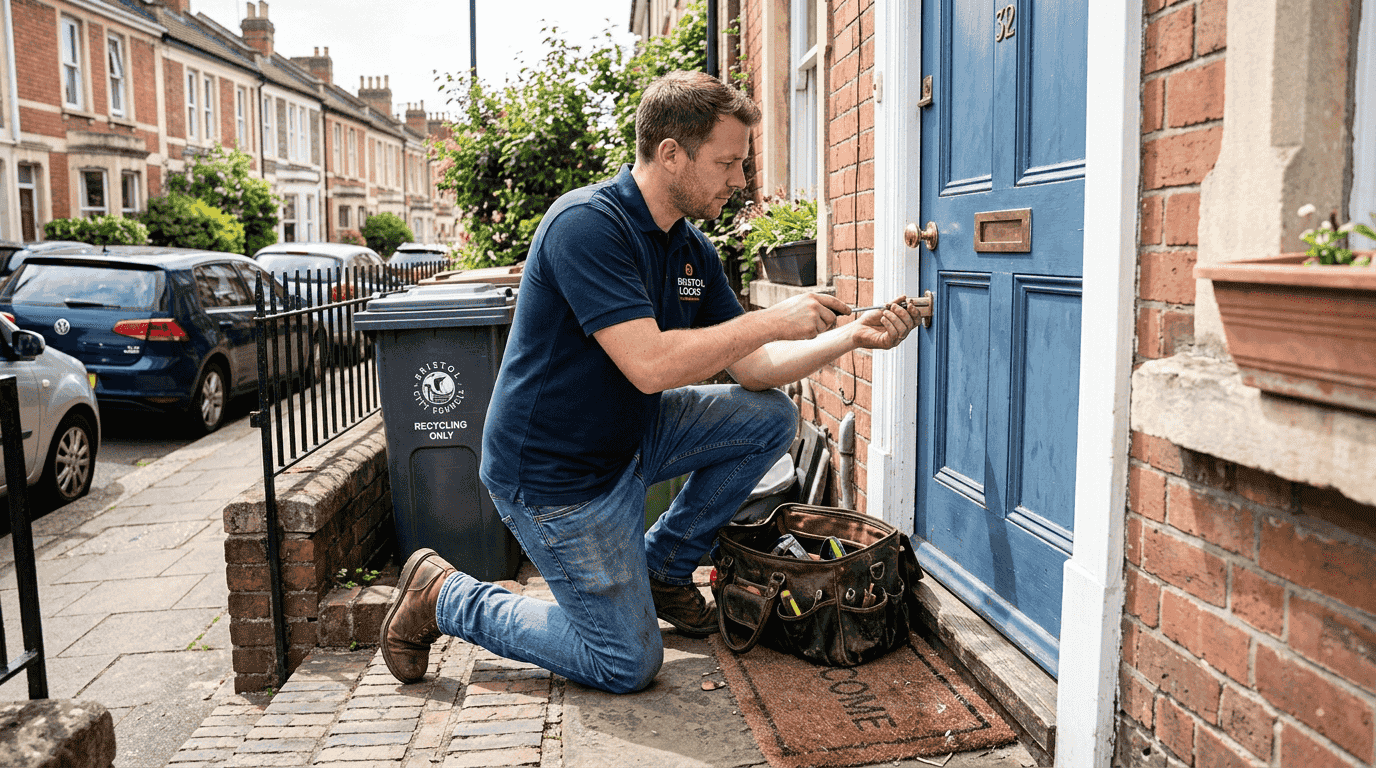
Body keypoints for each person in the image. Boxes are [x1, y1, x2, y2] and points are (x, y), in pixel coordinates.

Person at [379, 70, 922, 694]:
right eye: (728, 163)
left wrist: (851, 337)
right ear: (670, 154)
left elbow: (754, 370)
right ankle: (445, 596)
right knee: (627, 664)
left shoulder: (692, 251)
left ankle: (666, 565)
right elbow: (652, 364)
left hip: (632, 437)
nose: (741, 182)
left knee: (771, 417)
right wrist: (773, 319)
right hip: (558, 479)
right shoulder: (586, 226)